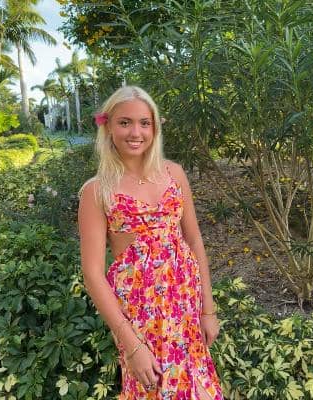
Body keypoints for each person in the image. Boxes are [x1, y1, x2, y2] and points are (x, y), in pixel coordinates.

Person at [78, 86, 223, 400]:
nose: (136, 132)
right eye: (125, 122)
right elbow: (92, 274)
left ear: (155, 127)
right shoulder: (97, 191)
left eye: (144, 123)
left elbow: (193, 239)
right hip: (140, 316)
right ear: (108, 126)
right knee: (154, 391)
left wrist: (208, 310)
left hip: (185, 304)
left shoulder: (174, 174)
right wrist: (131, 345)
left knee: (199, 390)